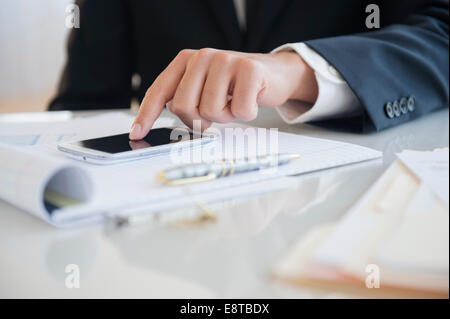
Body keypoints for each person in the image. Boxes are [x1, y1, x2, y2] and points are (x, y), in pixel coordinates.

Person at [49, 0, 449, 138]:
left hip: (356, 211)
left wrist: (298, 70)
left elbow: (442, 33)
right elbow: (85, 102)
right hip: (169, 218)